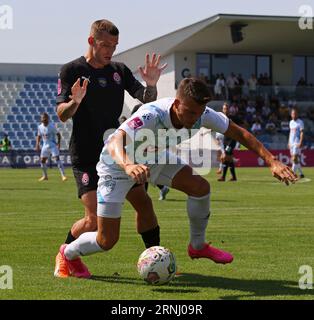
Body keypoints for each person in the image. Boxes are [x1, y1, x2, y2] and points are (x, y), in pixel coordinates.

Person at [57, 78, 297, 279]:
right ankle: (68, 254)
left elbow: (239, 133)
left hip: (155, 157)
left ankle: (198, 246)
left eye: (200, 112)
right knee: (107, 240)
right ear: (176, 103)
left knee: (200, 187)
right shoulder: (152, 114)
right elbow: (115, 140)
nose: (195, 118)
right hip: (116, 167)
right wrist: (128, 165)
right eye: (190, 112)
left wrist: (271, 160)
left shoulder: (202, 114)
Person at [54, 19, 167, 278]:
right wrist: (75, 102)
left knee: (145, 204)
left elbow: (146, 99)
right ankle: (64, 256)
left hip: (117, 153)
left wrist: (151, 86)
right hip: (86, 155)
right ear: (92, 41)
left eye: (114, 46)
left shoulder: (119, 70)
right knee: (92, 221)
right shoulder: (70, 70)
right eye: (105, 45)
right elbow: (61, 114)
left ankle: (156, 259)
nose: (110, 51)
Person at [131, 103, 170, 200]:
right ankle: (162, 188)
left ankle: (150, 193)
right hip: (142, 150)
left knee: (145, 173)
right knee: (146, 174)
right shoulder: (140, 113)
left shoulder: (153, 117)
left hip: (147, 152)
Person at [35, 113, 67, 182]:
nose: (44, 119)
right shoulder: (40, 127)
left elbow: (58, 134)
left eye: (45, 118)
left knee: (57, 158)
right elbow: (39, 136)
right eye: (43, 118)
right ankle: (45, 176)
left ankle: (63, 175)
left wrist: (58, 144)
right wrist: (37, 144)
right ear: (41, 119)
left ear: (48, 119)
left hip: (52, 145)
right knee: (42, 160)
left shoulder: (52, 126)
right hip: (45, 146)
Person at [217, 104, 238, 182]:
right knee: (230, 159)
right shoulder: (221, 118)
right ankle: (234, 177)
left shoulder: (232, 118)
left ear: (229, 109)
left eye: (226, 108)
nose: (225, 110)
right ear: (222, 109)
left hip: (231, 141)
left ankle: (223, 177)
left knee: (225, 157)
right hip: (225, 140)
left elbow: (240, 126)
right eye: (224, 108)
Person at [288, 108, 305, 178]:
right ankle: (301, 173)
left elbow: (302, 132)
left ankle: (292, 174)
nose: (293, 115)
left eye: (295, 114)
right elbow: (290, 133)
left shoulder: (300, 122)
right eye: (292, 114)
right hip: (291, 143)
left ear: (297, 114)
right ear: (291, 115)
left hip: (296, 142)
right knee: (294, 159)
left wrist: (300, 142)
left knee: (294, 158)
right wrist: (288, 142)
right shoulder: (290, 122)